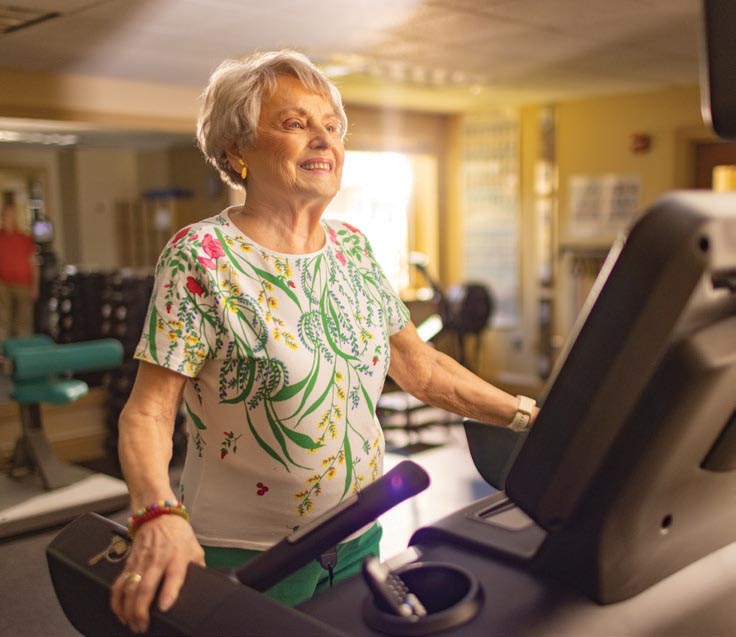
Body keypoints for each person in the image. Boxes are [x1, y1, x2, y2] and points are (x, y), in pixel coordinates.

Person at [110, 49, 539, 633]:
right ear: (237, 151)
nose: (323, 140)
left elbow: (422, 369)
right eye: (295, 123)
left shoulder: (353, 250)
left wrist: (527, 416)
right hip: (252, 553)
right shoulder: (201, 256)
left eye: (331, 126)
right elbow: (149, 412)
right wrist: (156, 513)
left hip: (359, 534)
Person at [0, 192, 38, 344]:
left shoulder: (25, 238)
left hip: (24, 284)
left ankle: (24, 352)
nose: (7, 219)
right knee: (3, 319)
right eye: (4, 216)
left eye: (10, 216)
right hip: (4, 285)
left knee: (23, 323)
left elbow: (33, 264)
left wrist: (35, 286)